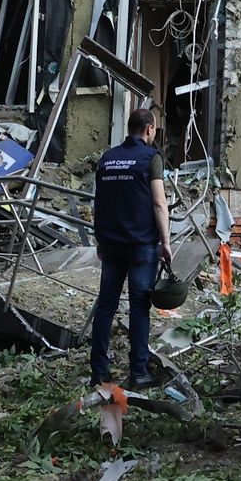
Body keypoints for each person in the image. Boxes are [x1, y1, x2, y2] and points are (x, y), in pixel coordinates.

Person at [90, 105, 174, 389]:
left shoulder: (108, 159)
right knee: (139, 307)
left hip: (112, 245)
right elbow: (159, 202)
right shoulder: (151, 158)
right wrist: (166, 242)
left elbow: (99, 202)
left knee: (106, 307)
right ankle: (138, 372)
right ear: (149, 129)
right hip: (140, 247)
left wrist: (100, 239)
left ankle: (99, 373)